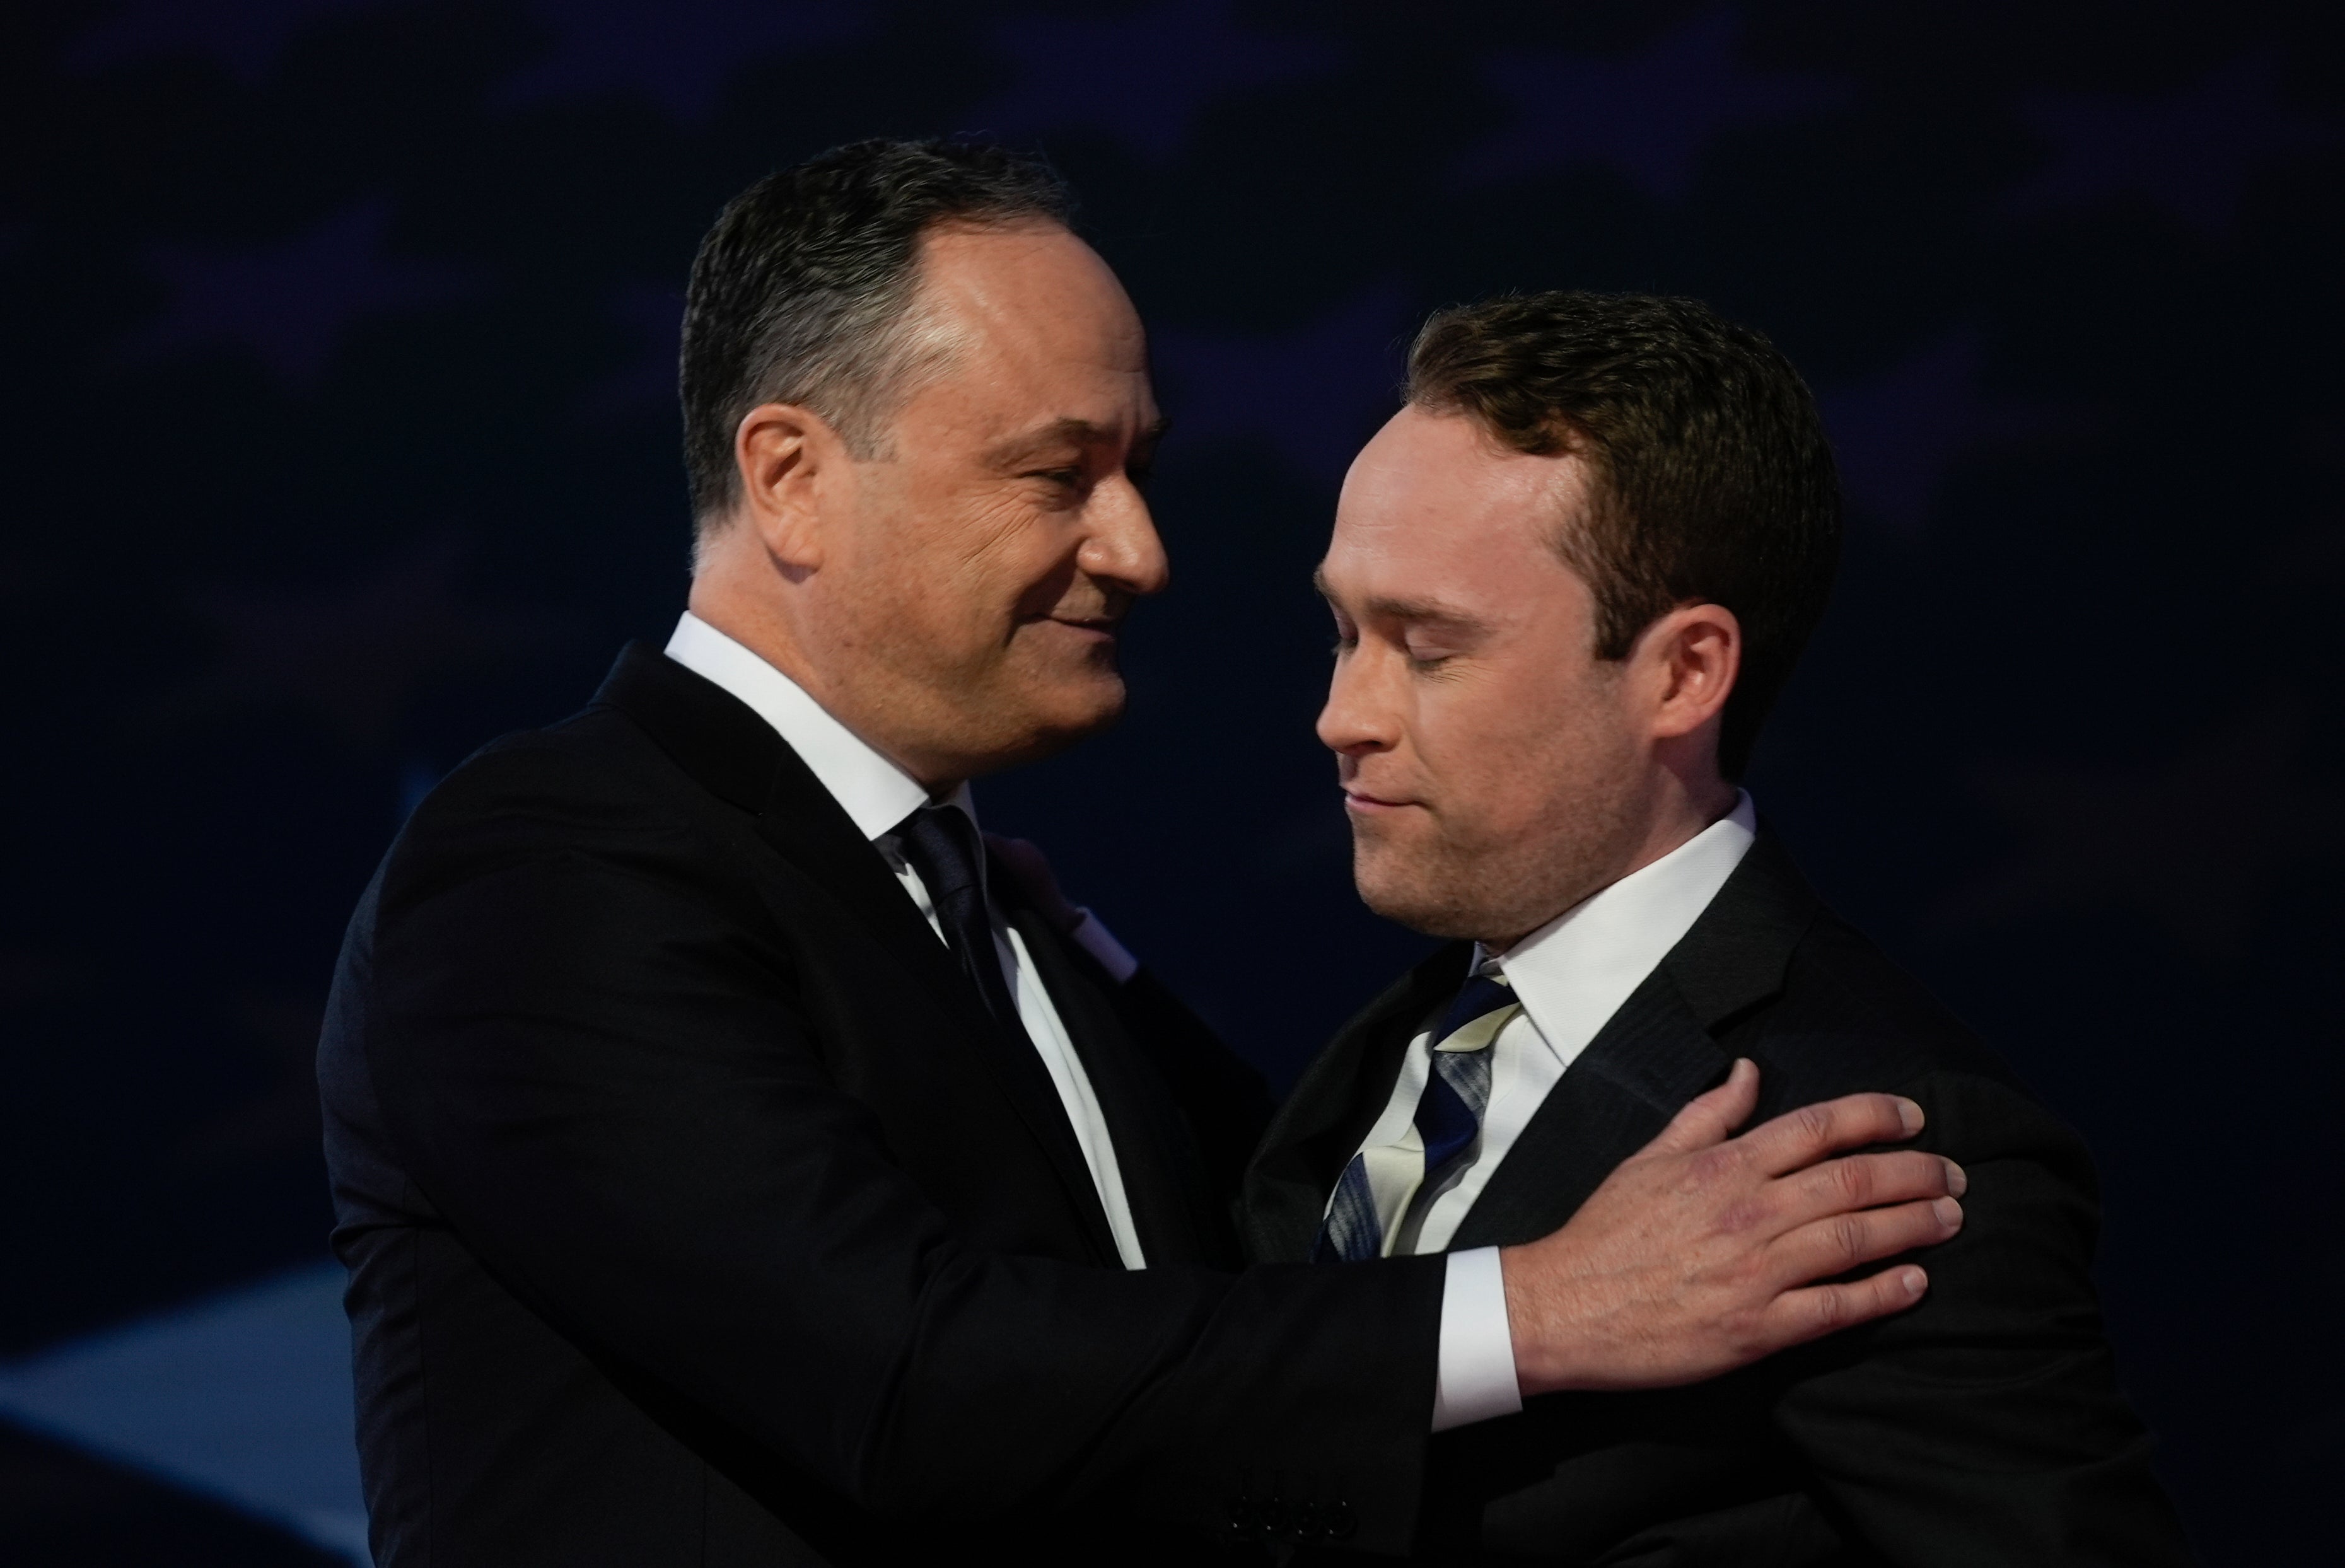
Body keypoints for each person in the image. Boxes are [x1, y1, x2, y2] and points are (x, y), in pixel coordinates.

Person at [318, 142, 1966, 1567]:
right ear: (794, 481)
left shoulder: (1004, 926)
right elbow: (902, 1373)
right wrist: (1540, 1312)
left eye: (1140, 471)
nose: (1141, 551)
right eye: (1059, 476)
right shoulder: (547, 868)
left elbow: (1220, 1339)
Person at [1243, 291, 2194, 1564]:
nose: (1340, 713)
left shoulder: (1873, 1140)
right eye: (1343, 630)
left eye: (1427, 647)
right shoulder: (1393, 1050)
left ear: (1684, 671)